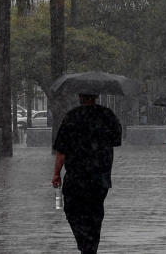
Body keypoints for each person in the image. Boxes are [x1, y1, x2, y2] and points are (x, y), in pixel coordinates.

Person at [51, 93, 123, 254]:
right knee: (95, 213)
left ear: (79, 97)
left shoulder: (72, 117)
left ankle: (84, 243)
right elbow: (116, 140)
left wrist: (56, 173)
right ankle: (91, 245)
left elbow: (61, 150)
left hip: (77, 177)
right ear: (96, 96)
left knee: (72, 211)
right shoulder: (107, 115)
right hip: (100, 176)